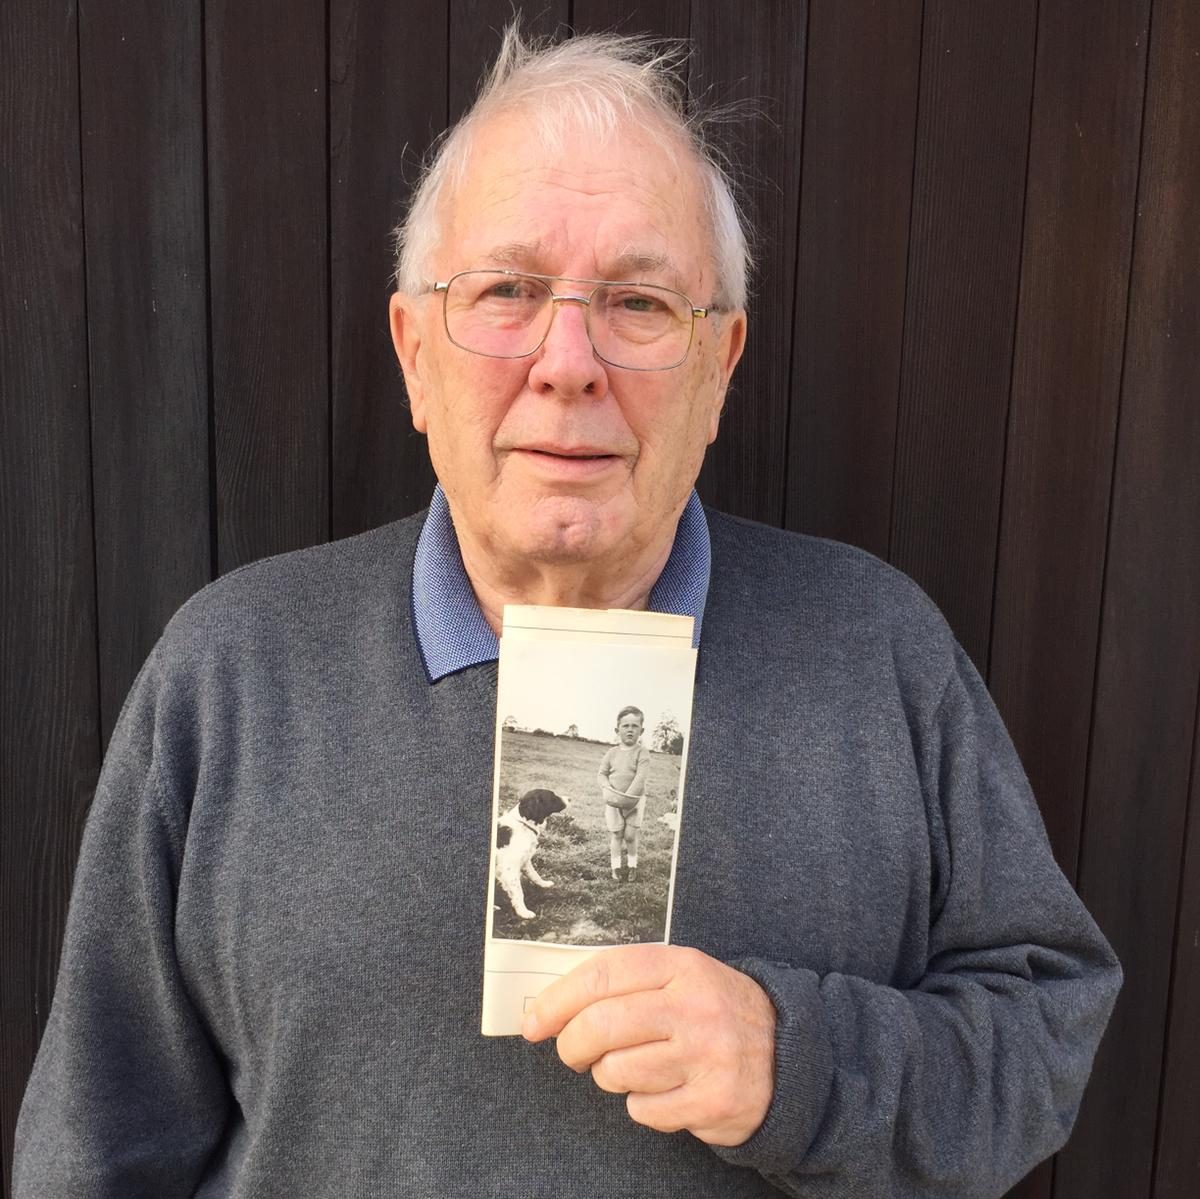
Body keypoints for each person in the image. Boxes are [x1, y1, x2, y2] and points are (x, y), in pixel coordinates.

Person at [13, 24, 1121, 1199]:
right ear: (414, 353)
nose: (569, 360)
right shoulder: (231, 672)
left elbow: (1044, 1026)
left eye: (639, 301)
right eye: (508, 291)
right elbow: (97, 1142)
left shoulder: (879, 650)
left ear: (720, 366)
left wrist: (802, 1065)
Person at [598, 704, 651, 881]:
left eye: (634, 726)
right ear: (617, 730)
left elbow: (641, 777)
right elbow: (602, 774)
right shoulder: (611, 753)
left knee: (630, 836)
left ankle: (632, 865)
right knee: (616, 834)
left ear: (641, 731)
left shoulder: (642, 752)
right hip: (613, 801)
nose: (630, 730)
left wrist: (627, 798)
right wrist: (607, 788)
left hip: (634, 801)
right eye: (625, 726)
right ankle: (616, 867)